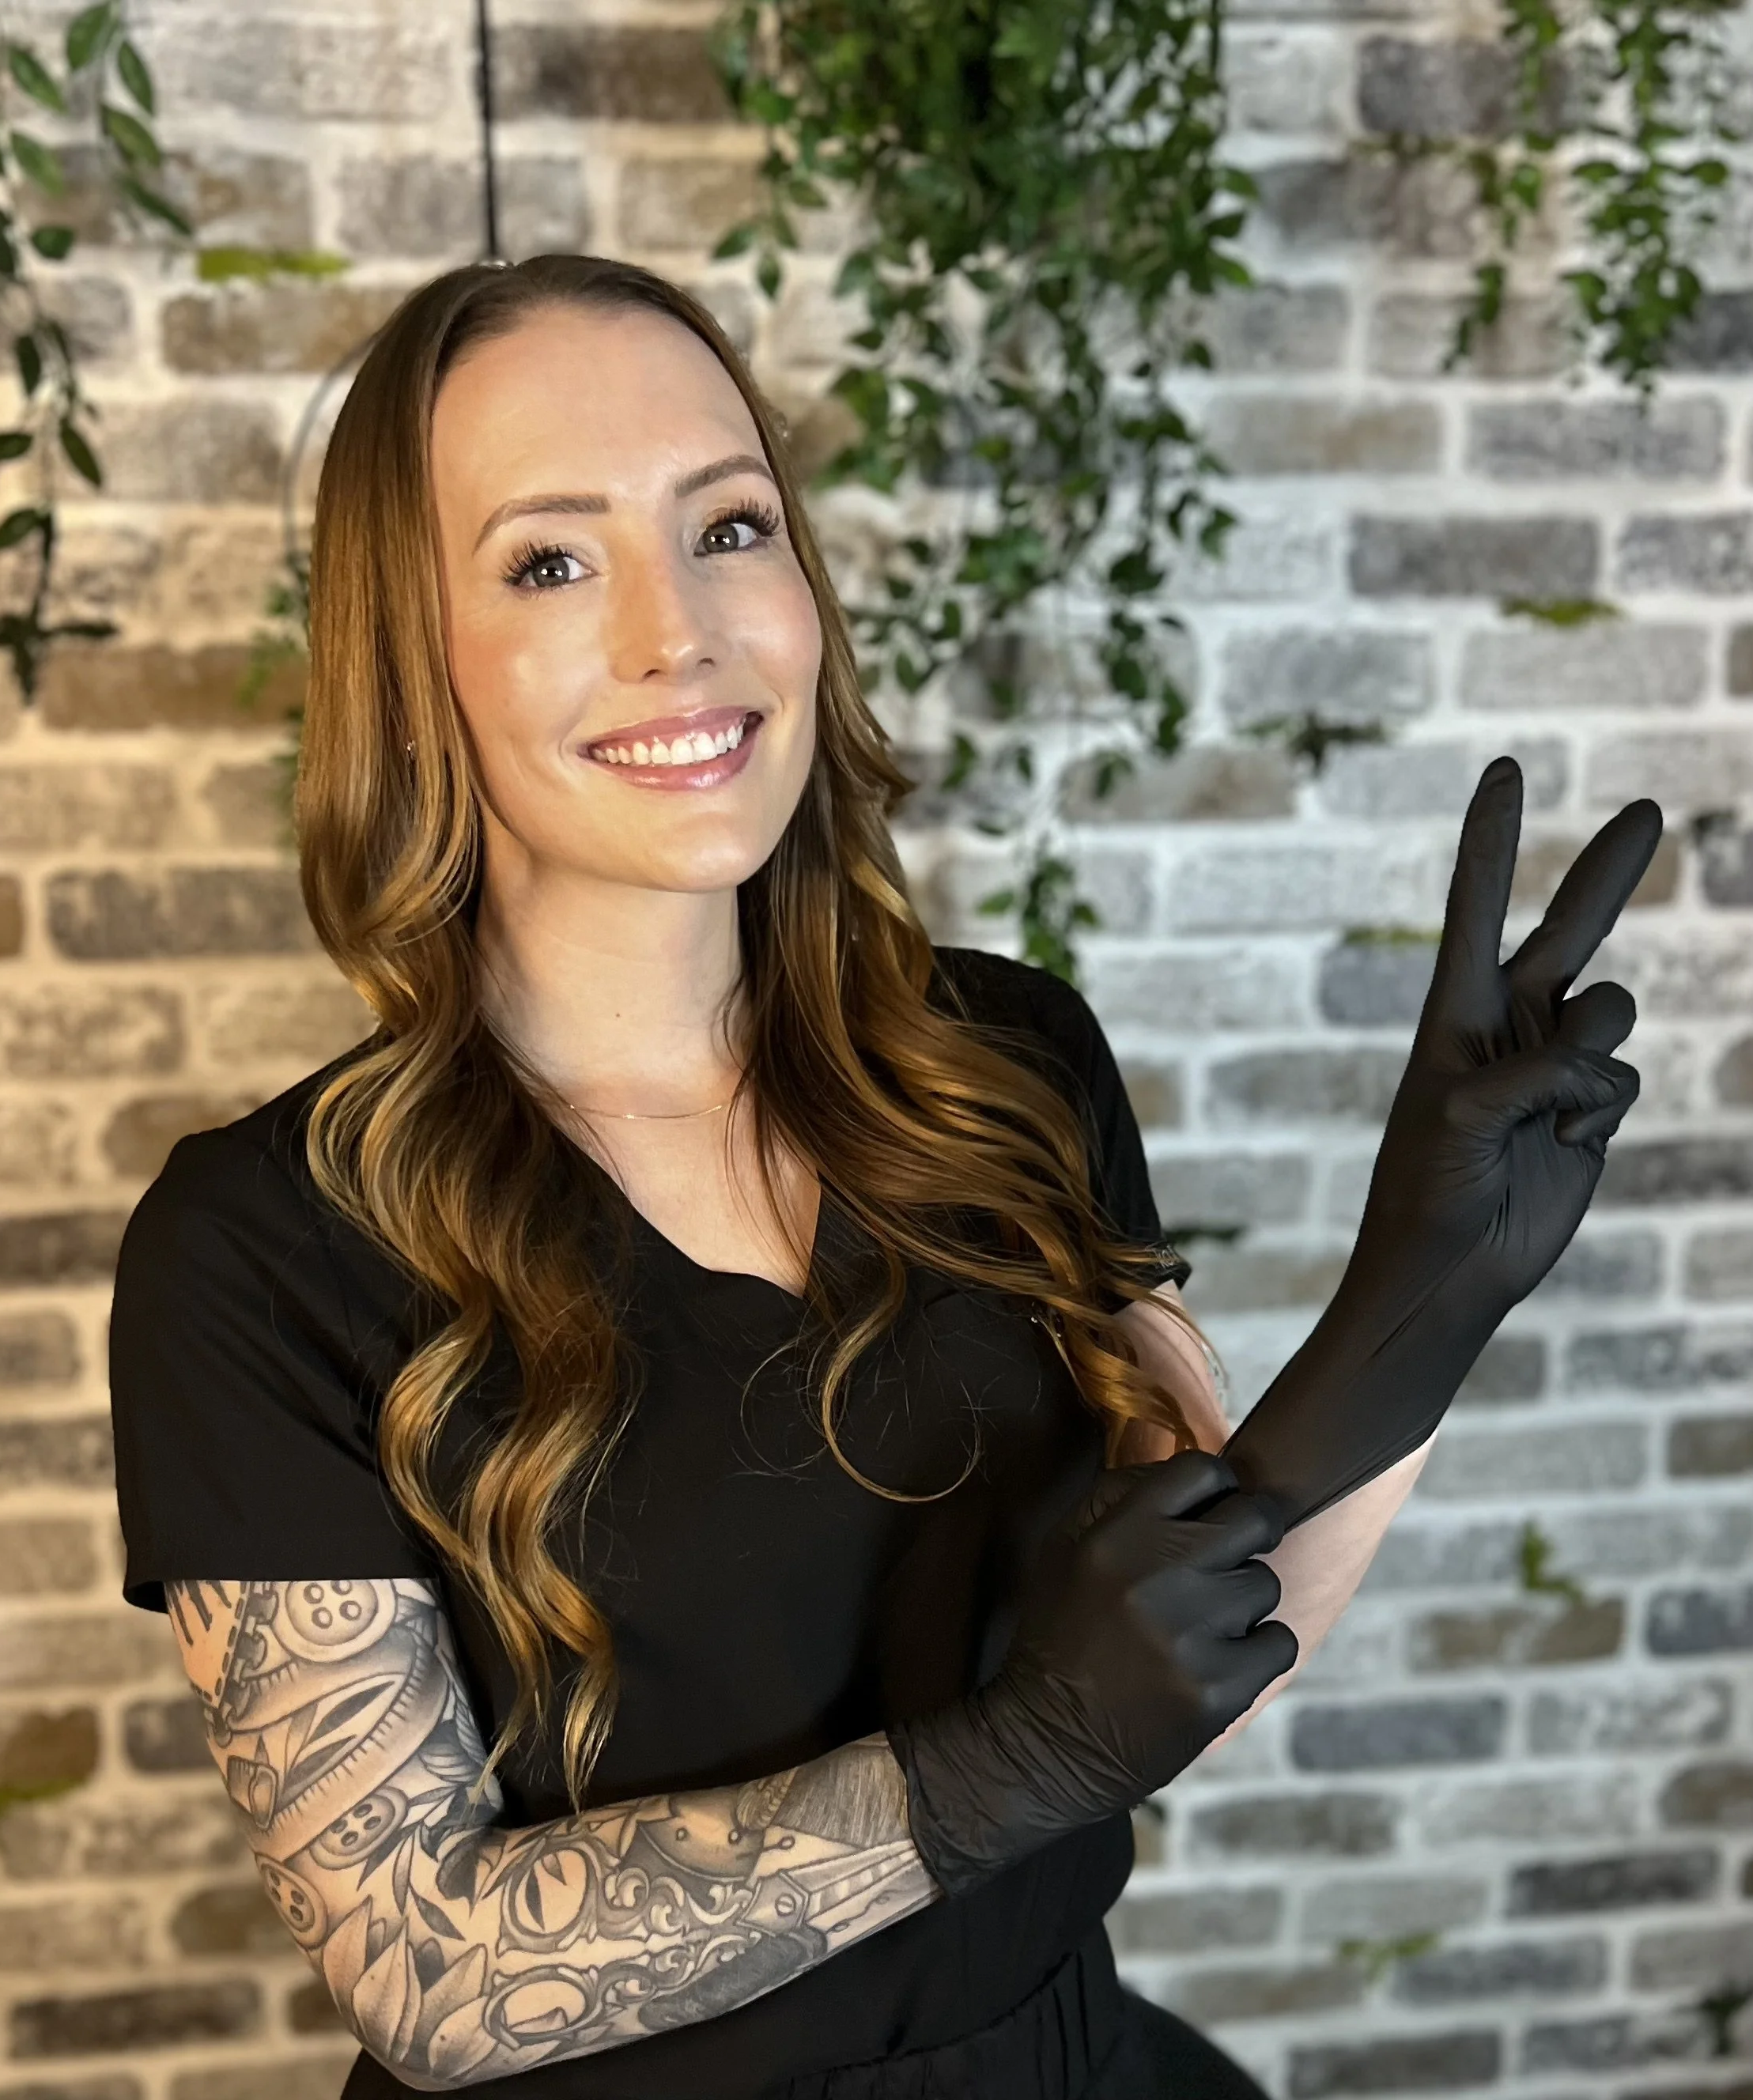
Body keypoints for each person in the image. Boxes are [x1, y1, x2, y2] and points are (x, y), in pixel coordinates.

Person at [108, 254, 1660, 2099]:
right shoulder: (260, 1251)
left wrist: (1426, 1297)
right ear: (409, 657)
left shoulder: (1005, 1064)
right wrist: (1010, 1762)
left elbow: (1192, 1655)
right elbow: (423, 1966)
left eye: (729, 526)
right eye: (549, 562)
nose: (676, 631)